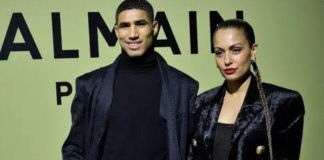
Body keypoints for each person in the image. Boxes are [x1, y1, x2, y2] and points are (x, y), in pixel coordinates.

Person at [61, 0, 199, 160]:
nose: (133, 34)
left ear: (154, 28)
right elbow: (74, 148)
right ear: (117, 31)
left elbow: (192, 151)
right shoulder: (89, 86)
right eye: (125, 26)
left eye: (140, 24)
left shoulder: (184, 87)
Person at [188, 19, 305, 160]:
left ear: (253, 51)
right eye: (219, 53)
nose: (227, 60)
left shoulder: (282, 102)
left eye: (235, 50)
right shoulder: (201, 103)